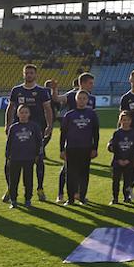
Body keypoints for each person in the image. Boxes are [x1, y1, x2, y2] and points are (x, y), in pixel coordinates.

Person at [3, 64, 53, 203]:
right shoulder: (17, 90)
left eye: (31, 73)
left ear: (35, 75)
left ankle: (40, 188)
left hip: (36, 130)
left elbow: (47, 109)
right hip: (18, 128)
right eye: (27, 73)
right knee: (9, 162)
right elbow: (10, 107)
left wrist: (49, 125)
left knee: (38, 160)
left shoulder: (41, 91)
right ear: (23, 74)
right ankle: (10, 188)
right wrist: (7, 124)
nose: (29, 75)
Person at [55, 72, 96, 203]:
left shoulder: (92, 98)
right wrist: (54, 89)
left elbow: (94, 126)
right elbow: (57, 99)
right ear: (82, 83)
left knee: (82, 171)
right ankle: (62, 194)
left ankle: (79, 194)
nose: (92, 85)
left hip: (85, 142)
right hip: (72, 141)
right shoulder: (72, 95)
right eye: (90, 83)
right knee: (67, 170)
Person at [5, 105, 44, 208]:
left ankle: (28, 199)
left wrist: (37, 155)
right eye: (21, 112)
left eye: (26, 112)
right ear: (18, 114)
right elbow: (9, 143)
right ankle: (13, 200)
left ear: (29, 114)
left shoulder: (34, 126)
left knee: (28, 180)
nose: (23, 115)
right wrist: (7, 155)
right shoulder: (14, 127)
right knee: (14, 180)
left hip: (29, 157)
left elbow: (39, 142)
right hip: (15, 157)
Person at [108, 111, 134, 204]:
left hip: (129, 161)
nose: (126, 122)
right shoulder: (117, 133)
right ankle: (115, 198)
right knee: (116, 181)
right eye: (124, 120)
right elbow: (114, 147)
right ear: (120, 121)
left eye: (128, 120)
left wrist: (129, 160)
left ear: (131, 121)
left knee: (127, 181)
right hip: (117, 161)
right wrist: (119, 159)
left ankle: (126, 197)